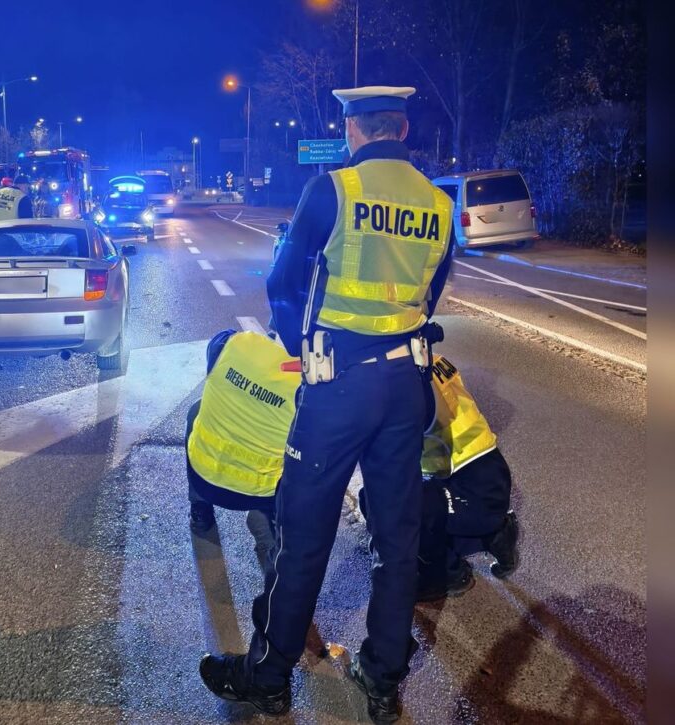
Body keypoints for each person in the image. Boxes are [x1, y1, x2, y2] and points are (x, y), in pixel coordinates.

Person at [199, 86, 455, 724]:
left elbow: (283, 280)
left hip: (338, 387)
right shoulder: (439, 203)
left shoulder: (333, 190)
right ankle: (382, 673)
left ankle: (269, 675)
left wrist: (298, 344)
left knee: (304, 532)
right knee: (397, 537)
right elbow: (433, 294)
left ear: (354, 130)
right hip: (406, 386)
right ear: (401, 127)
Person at [186, 329, 301, 572]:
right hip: (259, 494)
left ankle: (200, 511)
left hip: (205, 479)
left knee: (196, 411)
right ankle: (269, 538)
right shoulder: (308, 382)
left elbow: (215, 357)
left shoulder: (230, 342)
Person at [414, 354, 520, 602]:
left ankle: (449, 574)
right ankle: (496, 534)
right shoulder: (432, 359)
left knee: (390, 505)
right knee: (422, 502)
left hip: (465, 482)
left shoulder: (394, 377)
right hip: (489, 475)